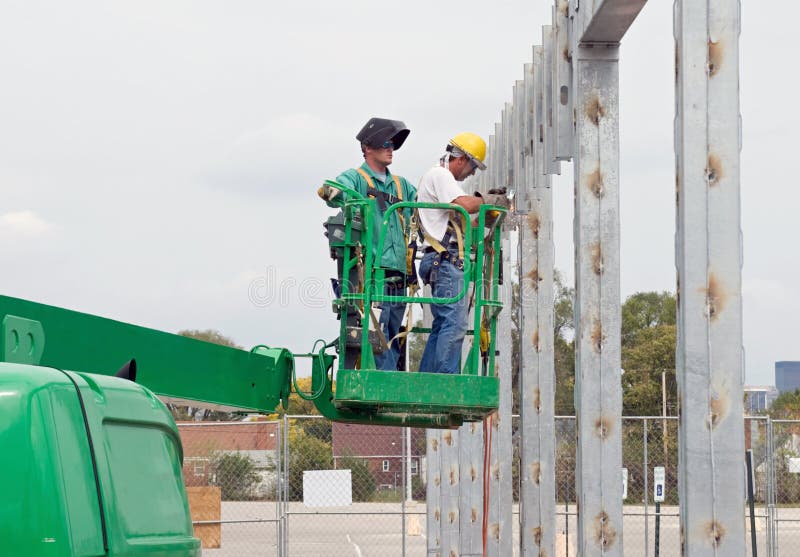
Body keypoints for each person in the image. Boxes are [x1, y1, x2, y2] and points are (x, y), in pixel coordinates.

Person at [319, 118, 416, 371]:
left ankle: (389, 383)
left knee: (394, 333)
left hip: (399, 272)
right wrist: (334, 193)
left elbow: (426, 205)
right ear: (367, 147)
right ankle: (383, 386)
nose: (390, 148)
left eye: (393, 144)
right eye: (385, 143)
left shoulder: (401, 185)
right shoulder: (357, 178)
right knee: (377, 333)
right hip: (372, 272)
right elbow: (334, 189)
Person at [416, 133, 510, 374]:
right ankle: (444, 384)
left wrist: (486, 217)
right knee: (455, 324)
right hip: (444, 261)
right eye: (473, 167)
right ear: (461, 159)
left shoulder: (443, 184)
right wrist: (486, 199)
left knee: (443, 325)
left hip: (441, 260)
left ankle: (428, 382)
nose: (472, 173)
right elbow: (465, 205)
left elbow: (464, 225)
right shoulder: (440, 175)